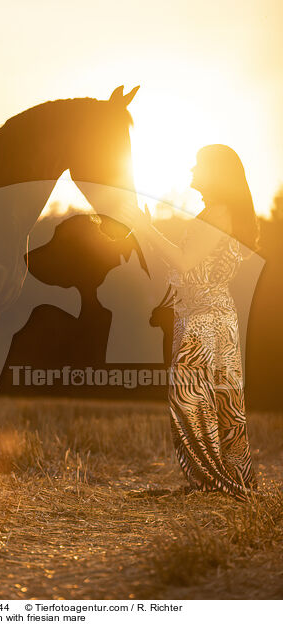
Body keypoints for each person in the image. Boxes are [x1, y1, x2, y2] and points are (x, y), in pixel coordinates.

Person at [127, 144, 259, 501]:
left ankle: (214, 482)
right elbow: (187, 265)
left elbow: (184, 263)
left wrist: (145, 226)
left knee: (192, 401)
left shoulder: (218, 213)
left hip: (205, 322)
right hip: (207, 317)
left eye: (199, 164)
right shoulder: (215, 212)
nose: (191, 170)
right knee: (216, 400)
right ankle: (223, 480)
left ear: (216, 172)